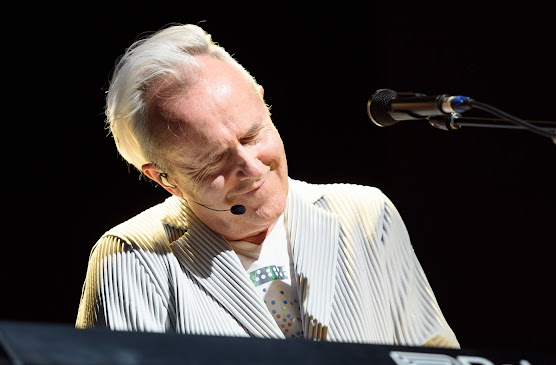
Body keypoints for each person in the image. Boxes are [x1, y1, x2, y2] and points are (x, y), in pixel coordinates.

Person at [76, 23, 459, 348]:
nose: (250, 167)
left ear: (263, 103)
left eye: (252, 135)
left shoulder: (365, 214)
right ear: (163, 178)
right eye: (213, 162)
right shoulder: (128, 258)